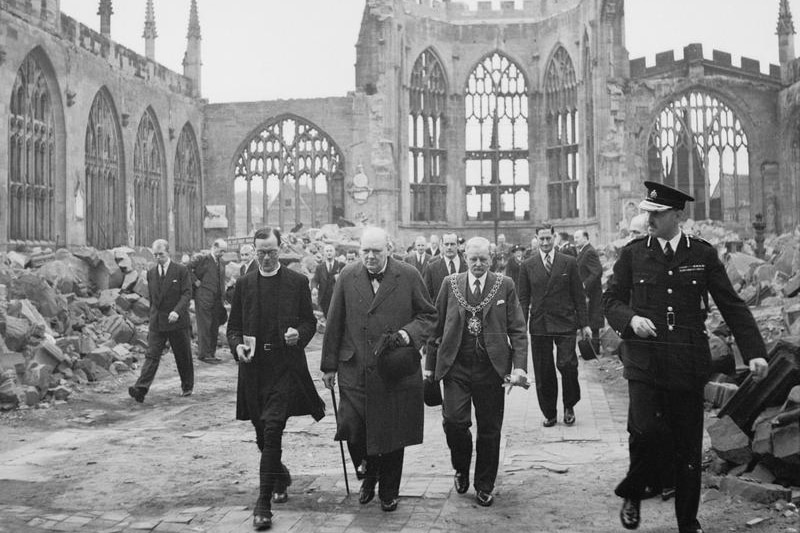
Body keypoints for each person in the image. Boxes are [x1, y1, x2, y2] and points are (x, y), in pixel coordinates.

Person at [603, 181, 769, 533]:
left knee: (688, 447)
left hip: (687, 361)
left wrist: (754, 353)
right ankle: (634, 491)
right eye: (648, 213)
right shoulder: (632, 254)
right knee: (644, 430)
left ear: (678, 215)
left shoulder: (702, 254)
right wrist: (630, 320)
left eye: (658, 214)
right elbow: (611, 300)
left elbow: (732, 304)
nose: (650, 219)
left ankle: (687, 523)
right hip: (644, 360)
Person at [321, 227, 437, 512]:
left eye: (377, 252)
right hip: (354, 367)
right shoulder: (348, 275)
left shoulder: (408, 275)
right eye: (365, 252)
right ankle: (367, 471)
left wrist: (407, 335)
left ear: (389, 249)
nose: (370, 257)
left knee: (392, 432)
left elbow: (428, 315)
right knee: (353, 428)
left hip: (393, 369)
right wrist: (328, 365)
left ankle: (388, 490)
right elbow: (335, 320)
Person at [227, 227, 325, 531]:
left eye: (271, 251)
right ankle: (280, 475)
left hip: (285, 367)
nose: (266, 257)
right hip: (255, 370)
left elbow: (309, 321)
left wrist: (300, 335)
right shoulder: (244, 284)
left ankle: (263, 503)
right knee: (261, 433)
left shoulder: (296, 282)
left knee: (272, 430)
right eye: (261, 252)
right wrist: (237, 347)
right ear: (254, 252)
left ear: (280, 249)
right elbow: (233, 329)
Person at [426, 237, 528, 507]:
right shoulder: (451, 285)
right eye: (473, 259)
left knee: (490, 430)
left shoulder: (504, 285)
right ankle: (461, 466)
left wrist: (519, 367)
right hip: (456, 366)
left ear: (491, 259)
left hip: (491, 370)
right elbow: (435, 326)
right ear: (465, 258)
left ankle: (484, 484)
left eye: (484, 259)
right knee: (454, 422)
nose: (479, 264)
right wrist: (428, 367)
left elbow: (518, 328)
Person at [518, 223, 591, 427]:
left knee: (567, 365)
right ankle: (549, 412)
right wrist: (521, 326)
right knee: (543, 370)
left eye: (548, 238)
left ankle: (569, 405)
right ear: (536, 239)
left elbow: (579, 294)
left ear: (554, 237)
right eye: (541, 239)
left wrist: (584, 324)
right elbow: (523, 299)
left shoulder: (568, 262)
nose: (545, 243)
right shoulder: (528, 265)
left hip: (566, 322)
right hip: (540, 324)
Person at [128, 239, 194, 402]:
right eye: (156, 255)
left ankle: (187, 386)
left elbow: (187, 293)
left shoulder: (180, 270)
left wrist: (177, 311)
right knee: (152, 355)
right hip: (158, 321)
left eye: (161, 254)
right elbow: (153, 298)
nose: (158, 258)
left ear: (168, 253)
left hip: (177, 321)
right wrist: (152, 316)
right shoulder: (151, 273)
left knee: (182, 355)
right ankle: (140, 389)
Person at [188, 239, 227, 364]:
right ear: (214, 247)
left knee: (214, 326)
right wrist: (195, 281)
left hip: (216, 300)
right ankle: (203, 354)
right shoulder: (202, 259)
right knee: (204, 325)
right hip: (203, 297)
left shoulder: (221, 262)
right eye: (221, 251)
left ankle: (211, 353)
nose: (222, 254)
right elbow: (186, 268)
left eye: (224, 252)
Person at [574, 230, 603, 353]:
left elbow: (597, 271)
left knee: (593, 320)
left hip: (592, 294)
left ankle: (593, 349)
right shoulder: (583, 251)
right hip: (586, 294)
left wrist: (584, 285)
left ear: (585, 238)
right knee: (588, 320)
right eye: (574, 238)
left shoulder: (589, 251)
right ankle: (589, 350)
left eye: (577, 237)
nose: (575, 240)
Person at [422, 233, 466, 302]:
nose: (449, 247)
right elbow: (426, 295)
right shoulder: (432, 268)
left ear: (458, 245)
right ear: (442, 246)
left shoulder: (468, 266)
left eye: (452, 244)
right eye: (446, 244)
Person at [312, 244, 344, 318]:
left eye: (331, 251)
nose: (329, 253)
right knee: (327, 316)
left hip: (337, 297)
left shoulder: (340, 265)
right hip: (324, 297)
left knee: (337, 317)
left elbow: (346, 280)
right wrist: (314, 288)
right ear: (324, 253)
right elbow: (315, 280)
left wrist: (339, 279)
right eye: (327, 251)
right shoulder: (320, 267)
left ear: (334, 253)